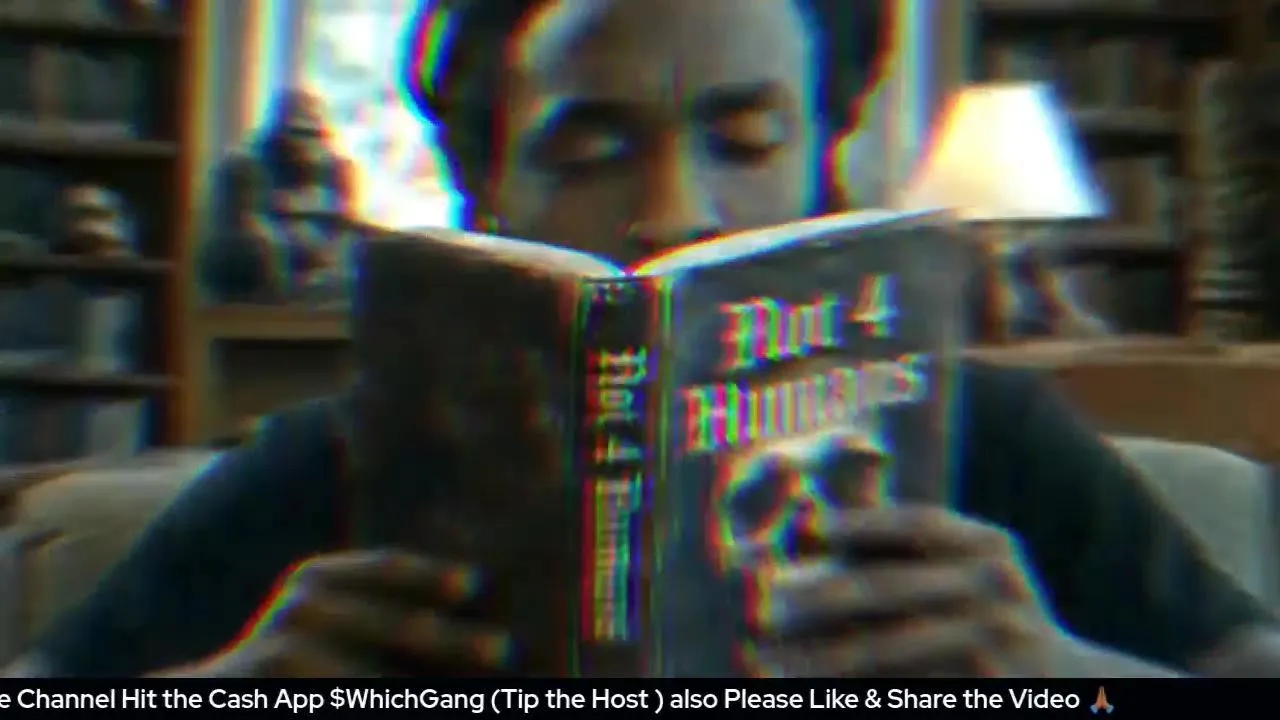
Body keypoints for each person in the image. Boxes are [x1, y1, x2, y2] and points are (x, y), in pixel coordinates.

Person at [10, 0, 1278, 678]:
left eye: (745, 142)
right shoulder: (336, 459)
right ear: (486, 184)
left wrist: (1060, 669)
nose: (674, 211)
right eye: (589, 146)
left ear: (820, 164)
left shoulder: (983, 433)